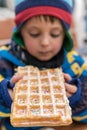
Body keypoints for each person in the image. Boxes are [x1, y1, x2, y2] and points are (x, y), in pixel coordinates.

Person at [0, 0, 87, 130]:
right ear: (20, 34)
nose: (45, 42)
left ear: (65, 35)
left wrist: (77, 99)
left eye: (55, 34)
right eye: (34, 34)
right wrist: (4, 96)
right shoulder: (4, 61)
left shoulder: (75, 64)